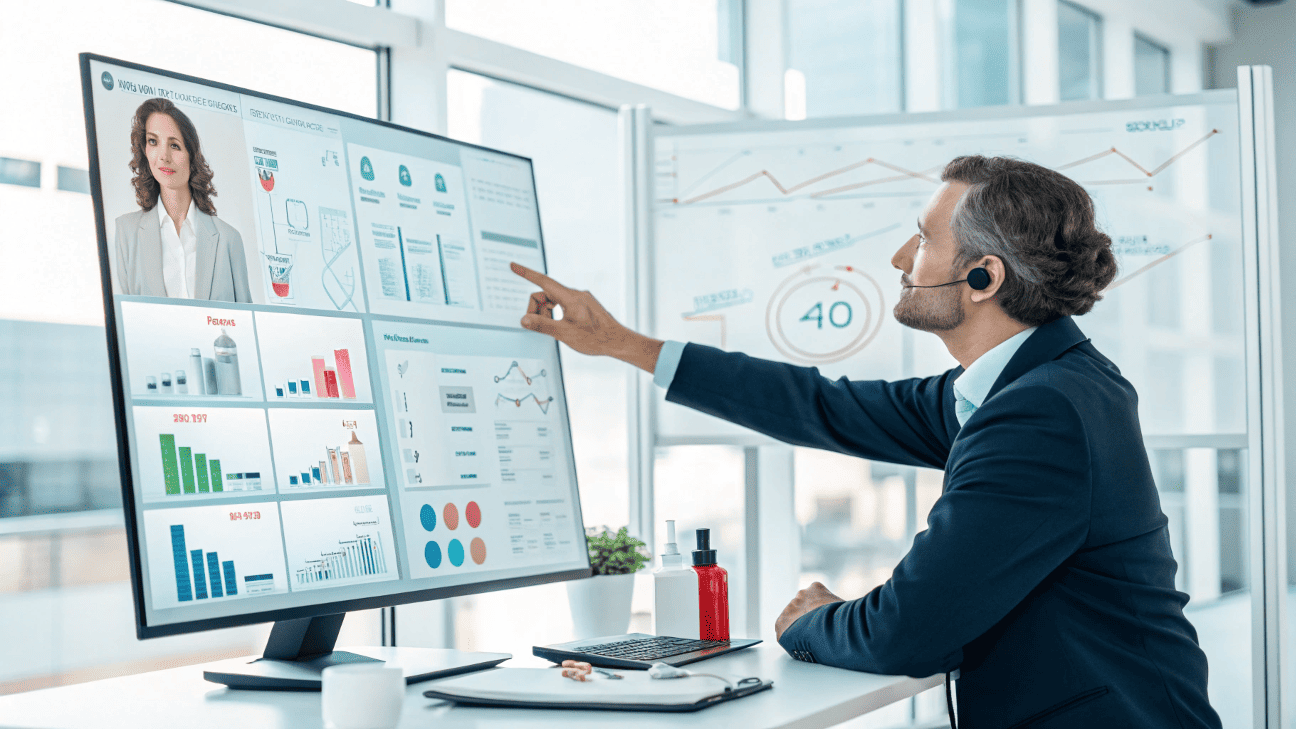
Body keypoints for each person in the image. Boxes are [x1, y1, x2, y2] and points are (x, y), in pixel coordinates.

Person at [509, 155, 1221, 728]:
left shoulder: (1041, 413)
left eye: (923, 237)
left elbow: (906, 630)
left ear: (983, 277)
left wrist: (813, 621)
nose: (899, 257)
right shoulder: (1032, 383)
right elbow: (825, 405)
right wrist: (624, 344)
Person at [112, 97, 251, 302]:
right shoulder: (126, 231)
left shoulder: (229, 239)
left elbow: (246, 324)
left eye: (175, 145)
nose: (163, 156)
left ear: (191, 154)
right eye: (153, 142)